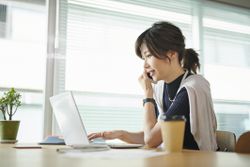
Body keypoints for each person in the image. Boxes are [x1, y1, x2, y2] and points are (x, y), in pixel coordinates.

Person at [88, 21, 217, 151]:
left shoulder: (192, 88)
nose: (145, 66)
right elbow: (152, 134)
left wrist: (148, 94)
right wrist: (120, 134)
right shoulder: (161, 88)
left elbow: (151, 140)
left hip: (198, 161)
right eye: (144, 58)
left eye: (148, 56)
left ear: (172, 53)